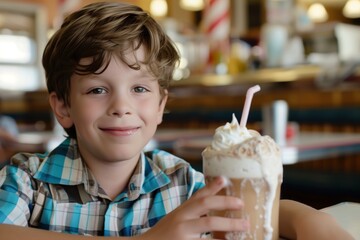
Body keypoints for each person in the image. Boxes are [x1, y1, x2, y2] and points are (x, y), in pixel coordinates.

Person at [0, 2, 354, 240]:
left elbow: (240, 208)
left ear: (160, 106)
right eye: (96, 90)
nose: (121, 106)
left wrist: (307, 219)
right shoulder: (26, 182)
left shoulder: (180, 184)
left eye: (139, 88)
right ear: (62, 107)